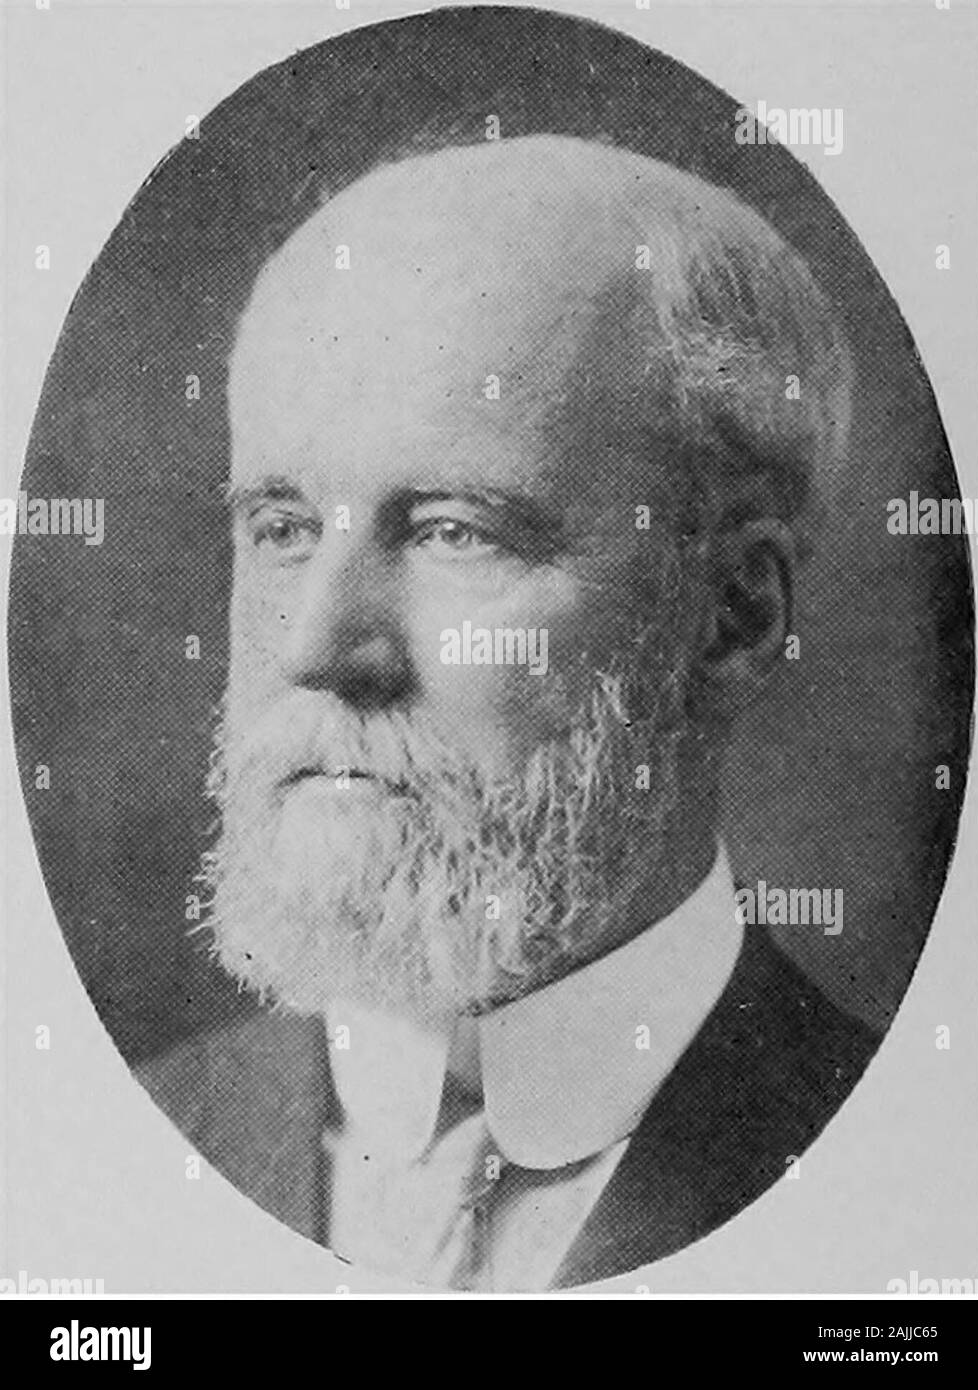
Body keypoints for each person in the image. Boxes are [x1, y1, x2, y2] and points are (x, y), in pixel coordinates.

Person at [140, 133, 878, 1290]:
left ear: (731, 618)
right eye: (282, 529)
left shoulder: (914, 1163)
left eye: (454, 531)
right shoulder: (96, 1154)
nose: (314, 647)